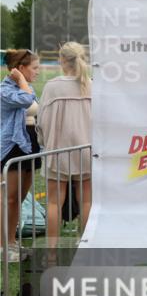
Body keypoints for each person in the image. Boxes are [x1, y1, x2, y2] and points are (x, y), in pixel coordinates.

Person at [38, 42, 93, 248]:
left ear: (62, 60)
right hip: (86, 151)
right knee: (87, 201)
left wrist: (44, 141)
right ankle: (85, 246)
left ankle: (51, 254)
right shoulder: (92, 85)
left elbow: (41, 121)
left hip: (58, 152)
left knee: (54, 203)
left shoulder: (52, 86)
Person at [2, 49, 41, 262]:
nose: (38, 71)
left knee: (19, 198)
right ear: (20, 69)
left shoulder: (27, 86)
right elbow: (27, 100)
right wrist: (19, 80)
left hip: (30, 145)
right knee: (8, 199)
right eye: (34, 68)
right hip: (12, 147)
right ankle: (3, 246)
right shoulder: (5, 90)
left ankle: (13, 243)